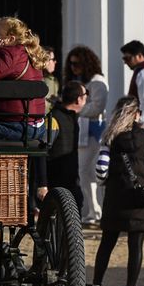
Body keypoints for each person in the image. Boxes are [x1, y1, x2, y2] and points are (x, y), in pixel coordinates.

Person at [88, 96, 144, 286]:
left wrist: (106, 181)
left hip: (116, 197)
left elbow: (101, 169)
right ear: (136, 114)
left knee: (107, 243)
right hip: (139, 199)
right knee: (136, 245)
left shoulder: (110, 137)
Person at [65, 45, 109, 224]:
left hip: (95, 132)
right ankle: (91, 211)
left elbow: (98, 106)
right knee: (84, 172)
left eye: (77, 64)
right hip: (83, 132)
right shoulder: (79, 82)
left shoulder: (98, 81)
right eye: (71, 64)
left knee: (96, 172)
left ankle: (97, 211)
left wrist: (78, 110)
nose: (74, 68)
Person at [45, 82, 87, 210]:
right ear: (78, 99)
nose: (87, 98)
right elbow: (43, 151)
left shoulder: (72, 118)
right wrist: (42, 184)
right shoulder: (54, 118)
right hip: (56, 182)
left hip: (71, 180)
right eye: (86, 94)